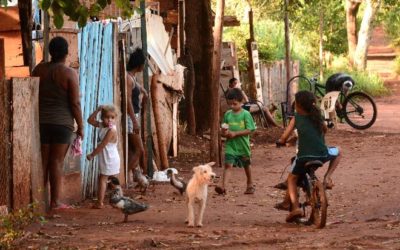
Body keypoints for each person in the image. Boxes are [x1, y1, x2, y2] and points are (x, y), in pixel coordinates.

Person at [32, 36, 83, 210]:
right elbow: (75, 103)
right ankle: (55, 202)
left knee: (44, 162)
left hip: (42, 123)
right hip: (62, 125)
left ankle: (39, 202)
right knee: (57, 162)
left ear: (50, 52)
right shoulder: (69, 73)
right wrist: (81, 126)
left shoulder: (38, 70)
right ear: (66, 53)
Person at [275, 90, 341, 222]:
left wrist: (281, 142)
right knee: (339, 151)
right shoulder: (318, 116)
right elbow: (325, 130)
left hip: (304, 157)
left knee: (292, 179)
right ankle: (327, 177)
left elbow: (284, 137)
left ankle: (294, 207)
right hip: (323, 154)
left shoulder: (296, 118)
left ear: (298, 105)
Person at [215, 88, 256, 195]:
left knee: (246, 164)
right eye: (230, 104)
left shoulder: (246, 114)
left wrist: (235, 134)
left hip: (243, 146)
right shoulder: (228, 114)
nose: (232, 106)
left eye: (235, 104)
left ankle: (250, 184)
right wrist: (224, 132)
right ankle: (224, 187)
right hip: (231, 145)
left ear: (241, 101)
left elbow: (250, 129)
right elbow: (223, 129)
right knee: (228, 165)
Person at [87, 105, 120, 209]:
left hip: (110, 158)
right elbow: (90, 120)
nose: (109, 120)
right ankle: (119, 199)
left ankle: (100, 202)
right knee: (112, 180)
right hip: (107, 157)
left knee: (103, 179)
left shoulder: (112, 130)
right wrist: (97, 110)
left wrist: (92, 155)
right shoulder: (102, 125)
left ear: (115, 118)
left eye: (112, 117)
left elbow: (102, 145)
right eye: (107, 117)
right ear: (102, 118)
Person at [126, 48, 148, 181]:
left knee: (136, 150)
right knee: (139, 150)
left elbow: (136, 86)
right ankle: (123, 177)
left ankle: (134, 176)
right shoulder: (129, 78)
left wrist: (143, 90)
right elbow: (128, 100)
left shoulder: (132, 77)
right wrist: (134, 121)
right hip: (131, 117)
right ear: (139, 65)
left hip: (134, 115)